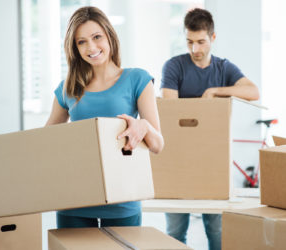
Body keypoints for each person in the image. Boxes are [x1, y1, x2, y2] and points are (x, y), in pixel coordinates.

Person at [45, 6, 164, 229]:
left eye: (96, 37)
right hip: (74, 197)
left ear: (109, 35)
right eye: (81, 42)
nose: (91, 47)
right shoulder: (68, 88)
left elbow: (158, 145)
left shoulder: (137, 79)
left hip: (122, 196)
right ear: (74, 48)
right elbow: (46, 141)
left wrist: (144, 126)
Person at [161, 8, 259, 250]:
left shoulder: (224, 69)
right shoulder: (174, 66)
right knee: (175, 231)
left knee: (216, 230)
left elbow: (253, 92)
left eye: (201, 42)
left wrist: (216, 91)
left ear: (213, 38)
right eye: (189, 42)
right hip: (178, 160)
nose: (195, 49)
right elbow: (170, 112)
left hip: (213, 160)